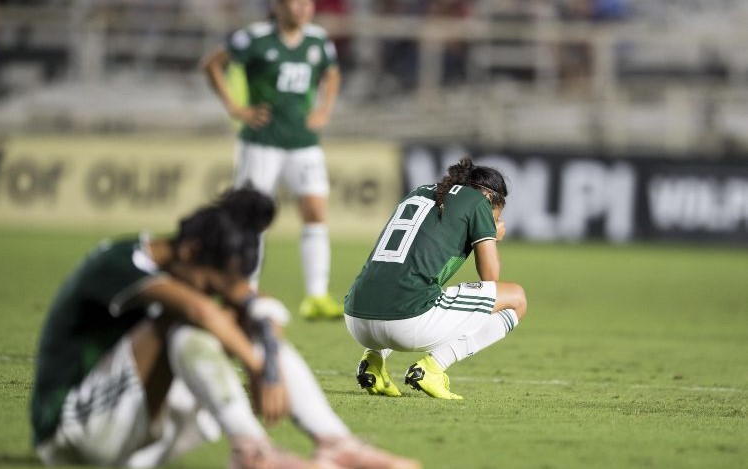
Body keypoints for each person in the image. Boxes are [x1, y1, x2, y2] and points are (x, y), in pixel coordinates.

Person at [30, 188, 421, 469]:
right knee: (183, 327)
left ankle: (336, 445)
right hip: (75, 434)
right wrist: (256, 366)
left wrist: (265, 347)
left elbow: (256, 304)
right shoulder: (119, 261)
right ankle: (252, 451)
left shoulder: (192, 262)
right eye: (209, 281)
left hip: (137, 439)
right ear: (189, 251)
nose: (210, 291)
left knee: (239, 320)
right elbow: (201, 310)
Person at [201, 0, 344, 320]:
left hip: (303, 142)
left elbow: (332, 75)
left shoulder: (318, 40)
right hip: (262, 142)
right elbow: (211, 64)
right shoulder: (254, 38)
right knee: (251, 217)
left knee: (315, 212)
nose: (304, 8)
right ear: (277, 6)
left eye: (308, 2)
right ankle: (245, 290)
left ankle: (317, 296)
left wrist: (324, 109)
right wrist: (236, 108)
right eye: (296, 2)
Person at [344, 158, 528, 400]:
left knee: (404, 283)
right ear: (491, 200)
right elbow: (490, 279)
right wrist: (490, 233)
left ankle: (373, 361)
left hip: (356, 317)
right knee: (516, 298)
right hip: (405, 322)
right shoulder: (478, 201)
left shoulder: (418, 192)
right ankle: (432, 368)